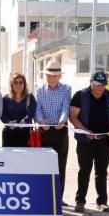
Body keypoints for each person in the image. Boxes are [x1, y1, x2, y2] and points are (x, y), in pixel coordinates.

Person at [69, 70, 109, 213]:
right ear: (90, 82)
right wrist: (85, 131)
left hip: (104, 141)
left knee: (101, 172)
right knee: (84, 171)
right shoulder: (80, 96)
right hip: (85, 141)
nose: (99, 87)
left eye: (103, 84)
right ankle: (80, 201)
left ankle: (102, 201)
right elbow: (73, 117)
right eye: (97, 84)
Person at [35, 60, 71, 199]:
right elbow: (37, 109)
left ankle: (58, 198)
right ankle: (45, 196)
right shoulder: (40, 89)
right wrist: (40, 120)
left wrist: (62, 120)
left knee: (60, 164)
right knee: (44, 164)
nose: (51, 78)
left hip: (60, 130)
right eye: (49, 75)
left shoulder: (66, 88)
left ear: (59, 76)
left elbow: (65, 107)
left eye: (54, 76)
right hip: (44, 131)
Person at [1, 73, 37, 147]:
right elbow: (2, 114)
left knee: (24, 158)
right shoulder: (6, 99)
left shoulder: (30, 97)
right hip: (9, 133)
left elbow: (31, 112)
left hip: (25, 134)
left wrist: (25, 121)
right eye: (15, 82)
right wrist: (8, 122)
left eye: (21, 82)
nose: (18, 85)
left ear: (24, 84)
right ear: (12, 85)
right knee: (8, 158)